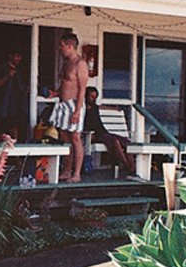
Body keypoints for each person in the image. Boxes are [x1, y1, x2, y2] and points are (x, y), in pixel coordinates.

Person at [50, 33, 89, 183]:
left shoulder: (81, 64)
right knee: (64, 137)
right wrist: (55, 93)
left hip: (74, 104)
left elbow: (82, 89)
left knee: (75, 138)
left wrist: (78, 110)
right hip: (63, 105)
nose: (61, 49)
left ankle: (77, 173)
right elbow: (65, 84)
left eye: (62, 46)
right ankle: (66, 170)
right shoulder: (67, 63)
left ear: (70, 46)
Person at [84, 86, 135, 174]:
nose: (93, 99)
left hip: (104, 133)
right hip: (94, 135)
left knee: (126, 142)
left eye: (95, 97)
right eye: (91, 97)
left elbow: (102, 107)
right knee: (115, 141)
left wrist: (114, 109)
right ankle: (126, 166)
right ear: (86, 96)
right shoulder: (82, 109)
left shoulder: (95, 107)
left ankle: (133, 167)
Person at [0, 50, 29, 141]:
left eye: (20, 56)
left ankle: (15, 153)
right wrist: (7, 76)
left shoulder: (20, 71)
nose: (19, 59)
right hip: (3, 106)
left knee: (14, 129)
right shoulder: (1, 68)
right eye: (17, 56)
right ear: (10, 56)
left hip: (16, 107)